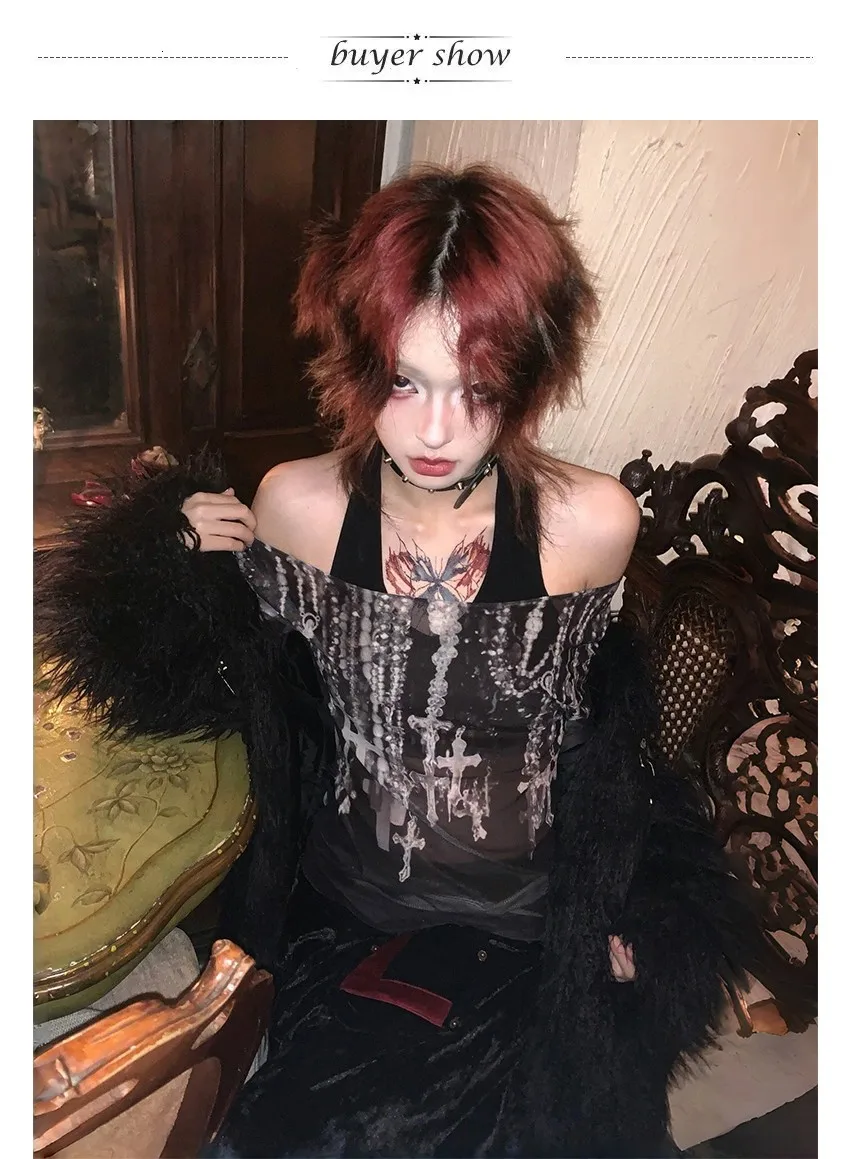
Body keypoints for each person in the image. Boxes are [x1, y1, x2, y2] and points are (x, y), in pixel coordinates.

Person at [35, 164, 754, 1158]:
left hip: (536, 925)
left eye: (477, 387)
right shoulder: (296, 507)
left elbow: (605, 741)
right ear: (357, 361)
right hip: (351, 913)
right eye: (404, 380)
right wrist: (161, 566)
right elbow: (206, 697)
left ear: (529, 376)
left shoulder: (592, 523)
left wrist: (640, 898)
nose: (434, 429)